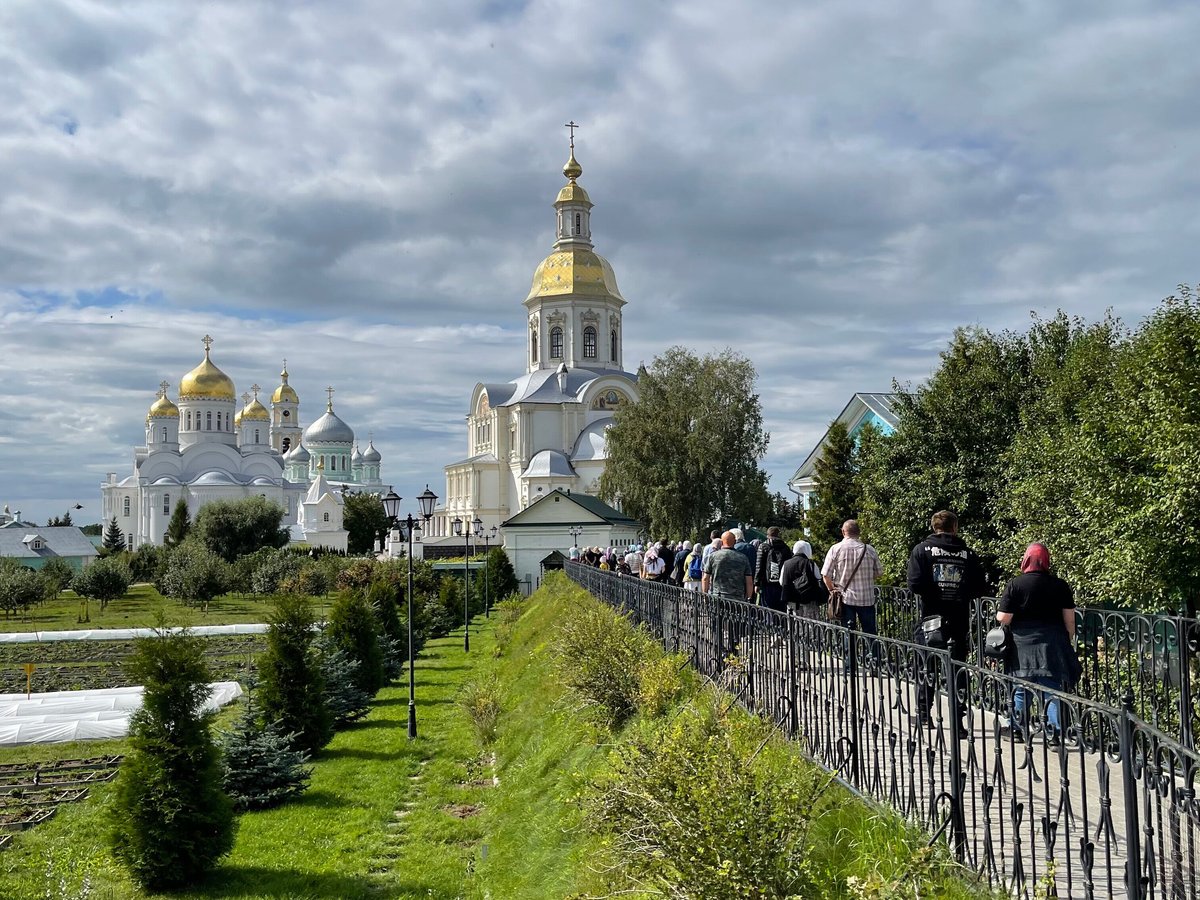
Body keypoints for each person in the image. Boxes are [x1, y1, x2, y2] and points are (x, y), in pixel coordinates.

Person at [906, 510, 987, 733]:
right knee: (957, 670)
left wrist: (935, 592)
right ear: (955, 528)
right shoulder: (967, 553)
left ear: (934, 527)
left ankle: (924, 716)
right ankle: (958, 723)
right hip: (958, 617)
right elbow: (980, 587)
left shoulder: (922, 550)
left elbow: (914, 584)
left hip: (931, 617)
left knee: (927, 667)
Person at [996, 542, 1080, 742]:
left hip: (1022, 644)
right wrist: (1066, 642)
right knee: (1051, 689)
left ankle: (1016, 729)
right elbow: (1069, 620)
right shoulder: (1060, 585)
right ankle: (1054, 734)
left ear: (1026, 560)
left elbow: (1003, 618)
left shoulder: (1016, 584)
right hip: (1052, 643)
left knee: (1020, 687)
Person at [822, 519, 882, 634]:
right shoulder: (869, 549)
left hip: (846, 598)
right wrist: (867, 578)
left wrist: (832, 590)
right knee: (870, 633)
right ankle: (872, 652)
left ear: (843, 532)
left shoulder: (836, 549)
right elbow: (879, 572)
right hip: (867, 598)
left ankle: (851, 652)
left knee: (848, 633)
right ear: (858, 532)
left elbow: (825, 575)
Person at [702, 531, 754, 603]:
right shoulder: (743, 558)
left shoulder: (713, 556)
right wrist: (749, 598)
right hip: (737, 598)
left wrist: (705, 595)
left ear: (722, 542)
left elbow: (705, 578)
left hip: (717, 596)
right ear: (735, 542)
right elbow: (749, 581)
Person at [779, 540, 824, 618]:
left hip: (792, 601)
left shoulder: (786, 563)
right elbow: (819, 578)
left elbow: (781, 581)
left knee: (794, 624)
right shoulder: (811, 564)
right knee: (809, 626)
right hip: (809, 601)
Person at [755, 526, 793, 612]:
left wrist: (756, 583)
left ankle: (769, 625)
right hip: (781, 584)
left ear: (768, 535)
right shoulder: (785, 547)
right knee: (781, 610)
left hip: (767, 583)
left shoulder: (763, 546)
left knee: (767, 609)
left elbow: (759, 566)